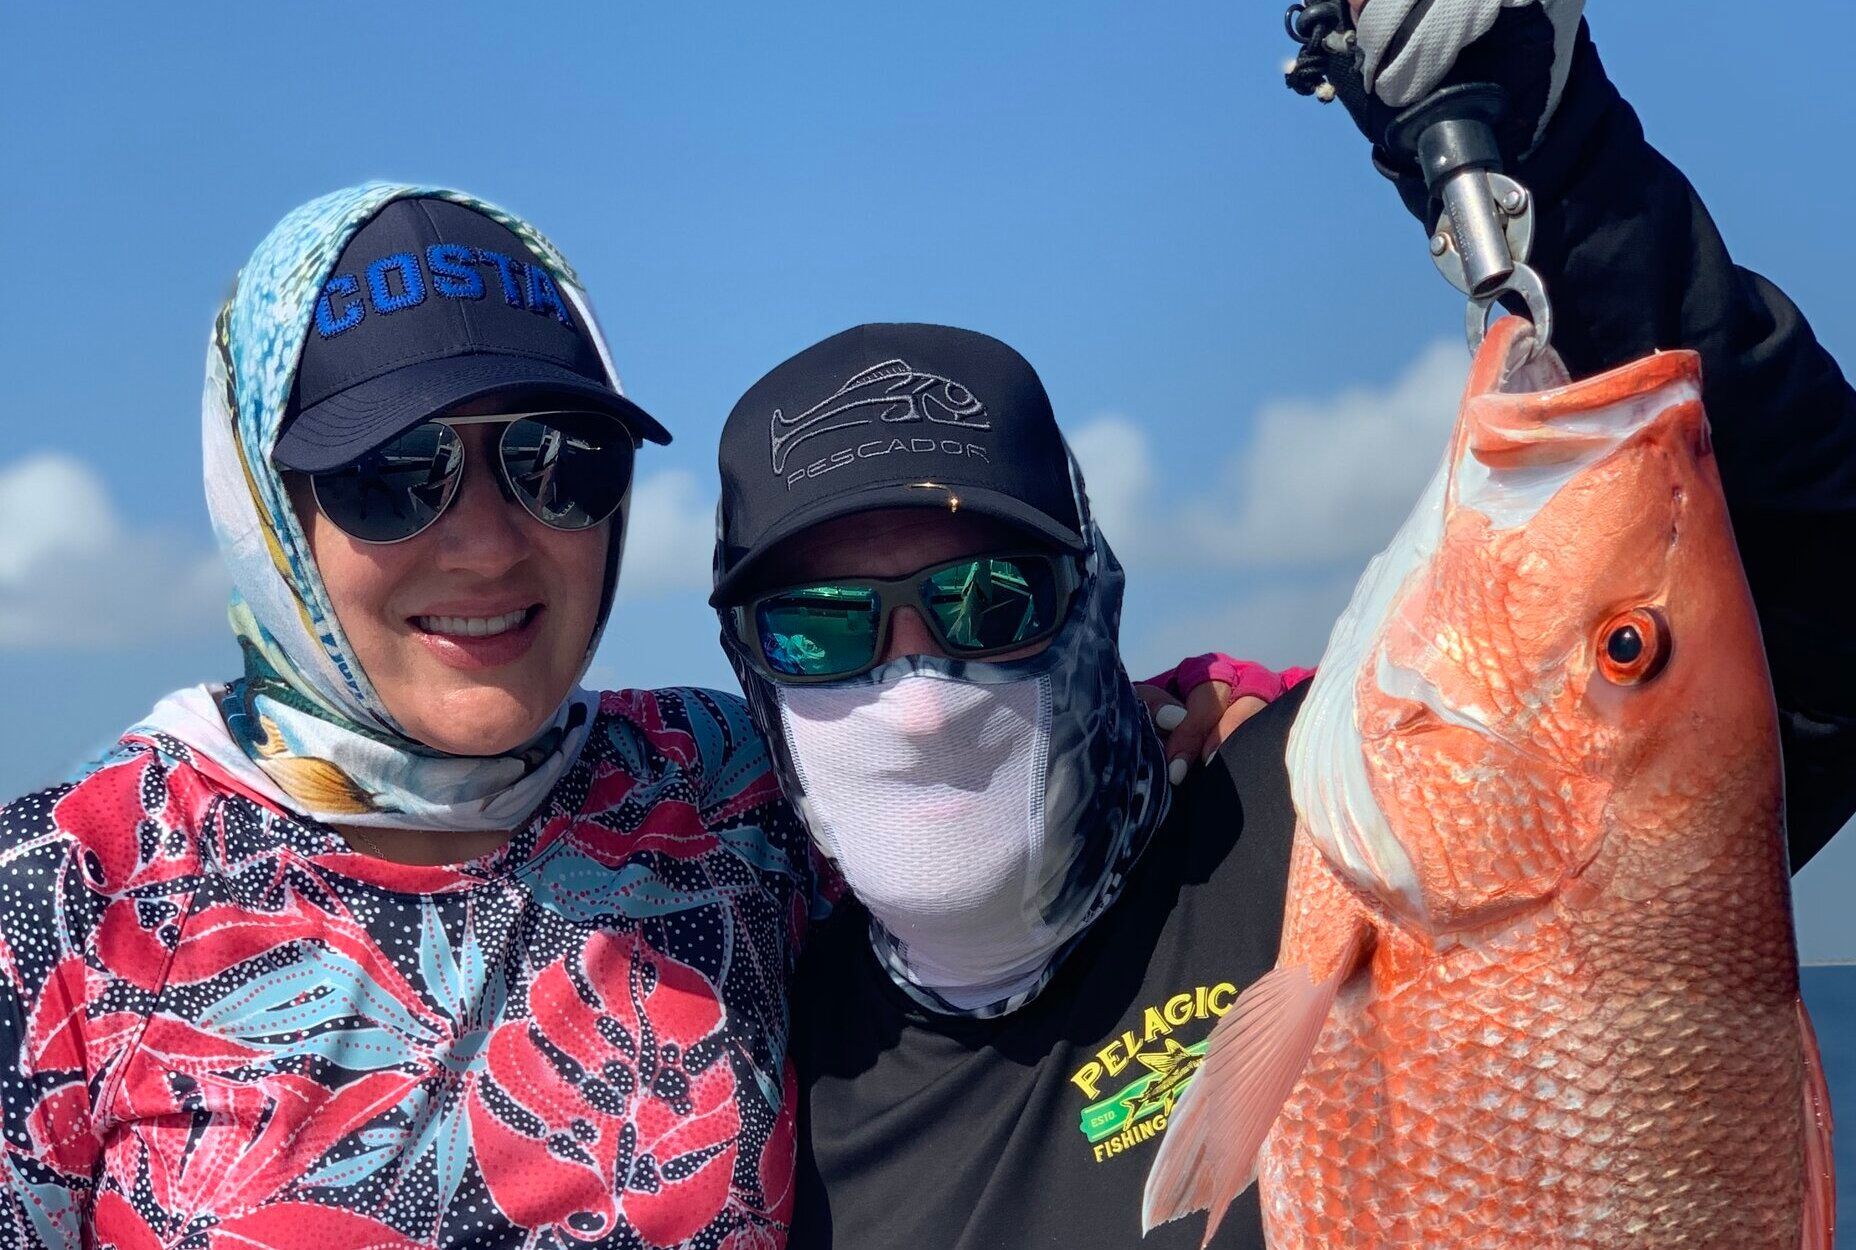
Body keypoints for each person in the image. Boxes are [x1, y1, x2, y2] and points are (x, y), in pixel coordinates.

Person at [709, 7, 1856, 1247]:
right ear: (750, 674)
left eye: (990, 599)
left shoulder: (1304, 817)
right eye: (818, 628)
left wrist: (1555, 163)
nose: (919, 684)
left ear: (1091, 604)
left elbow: (1818, 592)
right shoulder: (751, 1083)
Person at [0, 184, 820, 1248]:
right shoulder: (64, 898)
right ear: (265, 506)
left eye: (555, 461)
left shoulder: (734, 792)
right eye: (392, 474)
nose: (485, 542)